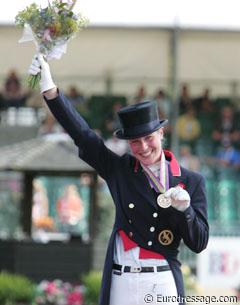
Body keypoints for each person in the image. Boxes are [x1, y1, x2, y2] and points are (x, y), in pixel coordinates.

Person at [28, 55, 209, 305]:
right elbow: (83, 136)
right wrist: (51, 92)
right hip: (122, 281)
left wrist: (186, 211)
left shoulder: (191, 181)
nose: (143, 147)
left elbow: (199, 243)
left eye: (149, 138)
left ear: (161, 132)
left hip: (160, 281)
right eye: (135, 141)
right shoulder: (120, 169)